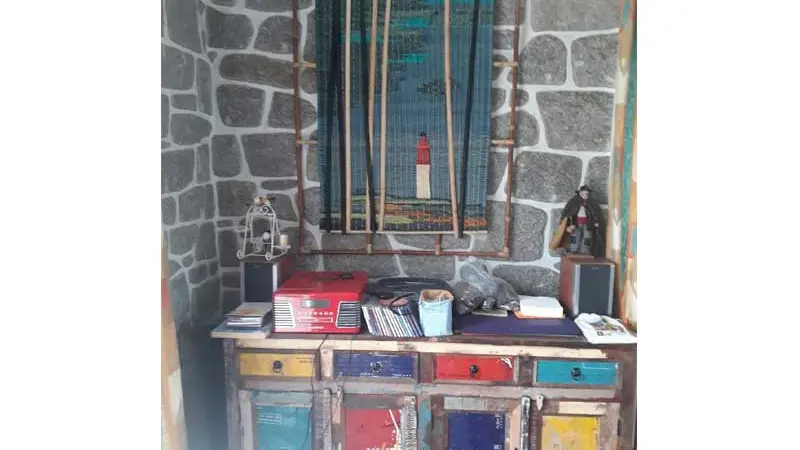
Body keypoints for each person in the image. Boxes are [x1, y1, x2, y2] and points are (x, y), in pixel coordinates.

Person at [550, 185, 605, 258]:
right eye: (583, 193)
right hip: (575, 224)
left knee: (587, 237)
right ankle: (574, 250)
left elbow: (595, 213)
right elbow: (568, 214)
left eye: (586, 194)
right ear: (580, 193)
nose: (585, 195)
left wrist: (596, 221)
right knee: (575, 237)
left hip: (588, 224)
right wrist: (569, 225)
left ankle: (585, 251)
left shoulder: (592, 202)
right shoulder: (573, 202)